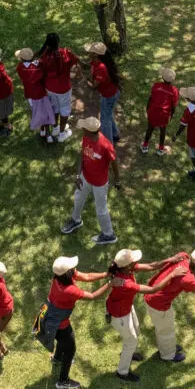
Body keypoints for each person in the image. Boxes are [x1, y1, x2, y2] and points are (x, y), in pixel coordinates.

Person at [104, 249, 183, 382]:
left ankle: (129, 354)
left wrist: (170, 259)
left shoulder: (125, 268)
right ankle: (122, 372)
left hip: (126, 309)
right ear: (128, 265)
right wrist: (172, 275)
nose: (137, 262)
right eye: (134, 261)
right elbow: (153, 290)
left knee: (136, 329)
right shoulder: (126, 284)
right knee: (131, 341)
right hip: (119, 315)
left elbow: (151, 266)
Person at [34, 256, 110, 389]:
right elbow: (93, 296)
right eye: (72, 267)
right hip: (60, 324)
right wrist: (110, 284)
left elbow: (86, 276)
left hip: (49, 316)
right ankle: (63, 381)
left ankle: (57, 358)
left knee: (62, 342)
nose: (75, 268)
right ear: (68, 272)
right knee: (70, 349)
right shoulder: (69, 290)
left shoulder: (57, 277)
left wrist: (105, 274)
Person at [143, 248, 195, 362]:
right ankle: (168, 355)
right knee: (165, 330)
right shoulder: (187, 279)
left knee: (166, 326)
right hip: (158, 303)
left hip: (155, 295)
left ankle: (168, 347)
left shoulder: (183, 256)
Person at [60, 117, 120, 245]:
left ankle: (109, 235)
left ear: (90, 131)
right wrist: (78, 175)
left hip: (99, 184)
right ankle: (76, 221)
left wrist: (117, 180)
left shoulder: (105, 146)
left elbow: (114, 163)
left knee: (101, 210)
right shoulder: (86, 138)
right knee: (78, 198)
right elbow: (82, 155)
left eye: (84, 128)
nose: (82, 129)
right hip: (85, 178)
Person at [37, 33, 79, 142]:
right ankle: (61, 134)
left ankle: (55, 128)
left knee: (55, 108)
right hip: (64, 88)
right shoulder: (66, 53)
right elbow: (76, 59)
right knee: (64, 109)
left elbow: (40, 70)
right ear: (58, 42)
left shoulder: (45, 57)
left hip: (50, 88)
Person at [84, 42, 122, 144]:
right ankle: (115, 134)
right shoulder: (96, 61)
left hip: (109, 96)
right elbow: (88, 66)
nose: (88, 52)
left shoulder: (101, 68)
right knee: (108, 116)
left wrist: (83, 79)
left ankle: (108, 143)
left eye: (91, 51)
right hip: (109, 94)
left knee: (105, 121)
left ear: (96, 54)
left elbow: (93, 87)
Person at [15, 48, 55, 142]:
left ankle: (42, 131)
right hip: (41, 93)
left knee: (38, 112)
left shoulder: (20, 68)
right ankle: (48, 135)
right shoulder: (40, 66)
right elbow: (43, 74)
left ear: (21, 59)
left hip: (30, 94)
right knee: (45, 114)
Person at [142, 67, 181, 155]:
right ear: (172, 80)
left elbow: (150, 98)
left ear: (162, 77)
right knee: (163, 130)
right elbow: (173, 106)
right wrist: (171, 115)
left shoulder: (156, 85)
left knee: (150, 129)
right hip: (164, 115)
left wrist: (148, 109)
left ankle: (145, 146)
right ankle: (160, 149)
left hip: (153, 112)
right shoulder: (174, 91)